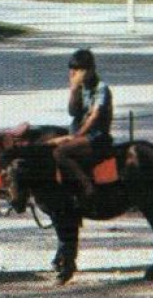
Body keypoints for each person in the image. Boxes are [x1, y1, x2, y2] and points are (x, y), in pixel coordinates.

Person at [48, 48, 113, 198]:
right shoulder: (81, 88)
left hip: (96, 136)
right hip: (79, 134)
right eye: (72, 69)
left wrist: (75, 136)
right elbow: (72, 112)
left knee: (60, 152)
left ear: (90, 70)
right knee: (47, 144)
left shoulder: (100, 88)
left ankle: (87, 186)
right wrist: (73, 90)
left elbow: (94, 116)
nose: (74, 73)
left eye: (78, 69)